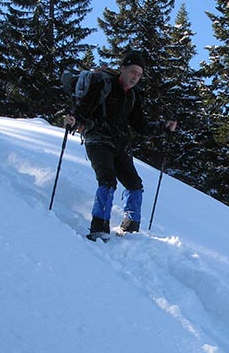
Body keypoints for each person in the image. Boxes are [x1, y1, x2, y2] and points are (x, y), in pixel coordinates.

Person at [64, 51, 177, 241]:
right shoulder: (102, 84)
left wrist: (163, 127)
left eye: (139, 75)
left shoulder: (133, 96)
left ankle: (131, 226)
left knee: (134, 184)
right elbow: (83, 108)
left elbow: (140, 125)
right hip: (97, 139)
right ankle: (99, 227)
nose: (135, 77)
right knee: (107, 179)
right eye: (133, 72)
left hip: (120, 144)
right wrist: (74, 120)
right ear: (122, 68)